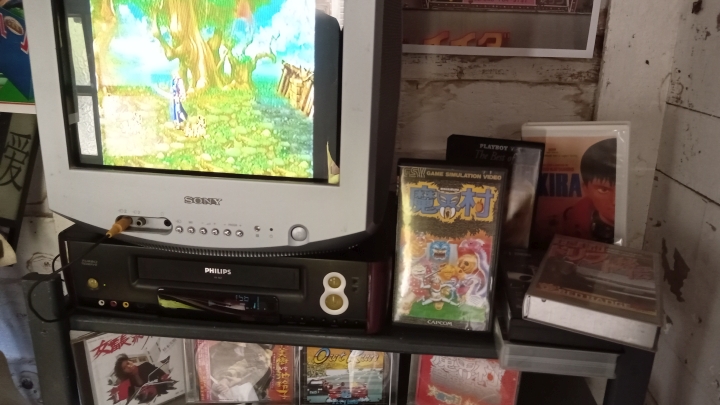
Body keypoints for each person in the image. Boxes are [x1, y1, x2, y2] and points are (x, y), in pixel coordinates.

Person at [561, 138, 617, 244]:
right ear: (586, 189)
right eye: (603, 190)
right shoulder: (568, 226)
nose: (615, 201)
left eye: (622, 190)